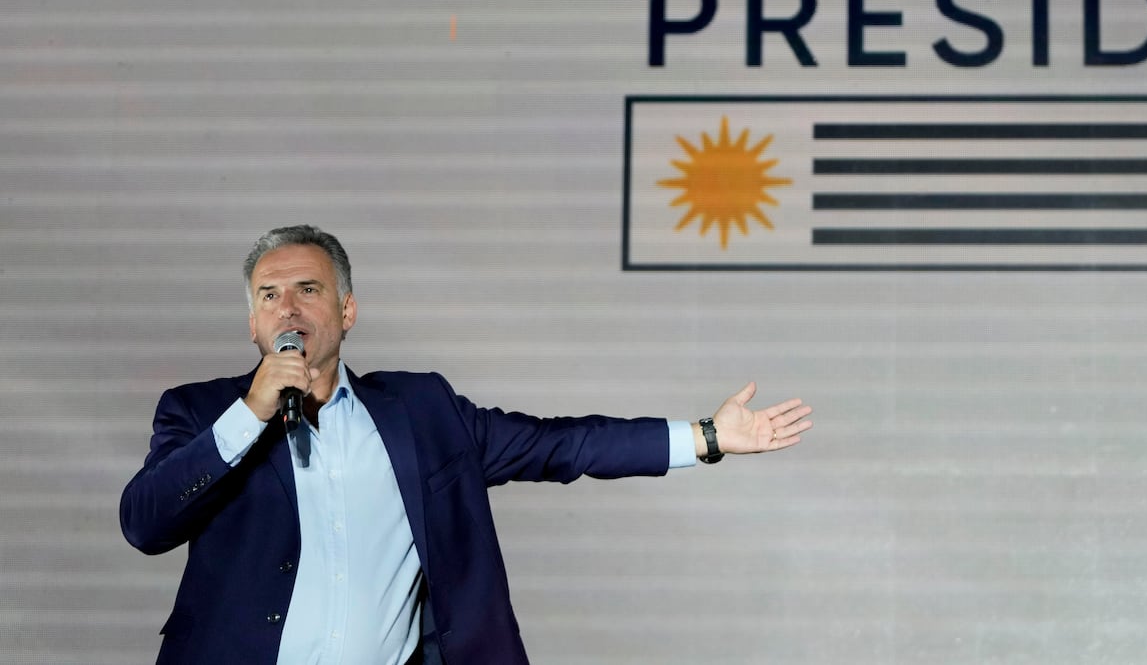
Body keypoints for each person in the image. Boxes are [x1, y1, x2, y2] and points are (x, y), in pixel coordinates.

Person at [120, 224, 813, 665]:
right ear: (251, 322)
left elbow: (558, 445)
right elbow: (146, 523)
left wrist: (710, 436)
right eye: (269, 295)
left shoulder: (421, 410)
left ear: (347, 309)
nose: (288, 308)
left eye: (308, 288)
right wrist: (250, 412)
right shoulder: (199, 411)